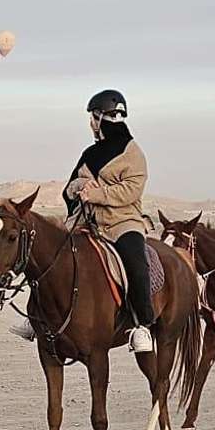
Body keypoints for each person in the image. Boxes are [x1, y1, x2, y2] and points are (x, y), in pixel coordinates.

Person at [64, 89, 156, 353]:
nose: (91, 124)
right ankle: (38, 315)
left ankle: (142, 325)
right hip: (88, 223)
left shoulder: (133, 153)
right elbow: (69, 188)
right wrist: (80, 185)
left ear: (99, 117)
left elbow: (131, 191)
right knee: (53, 254)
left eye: (92, 118)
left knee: (137, 264)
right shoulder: (89, 153)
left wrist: (98, 193)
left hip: (122, 222)